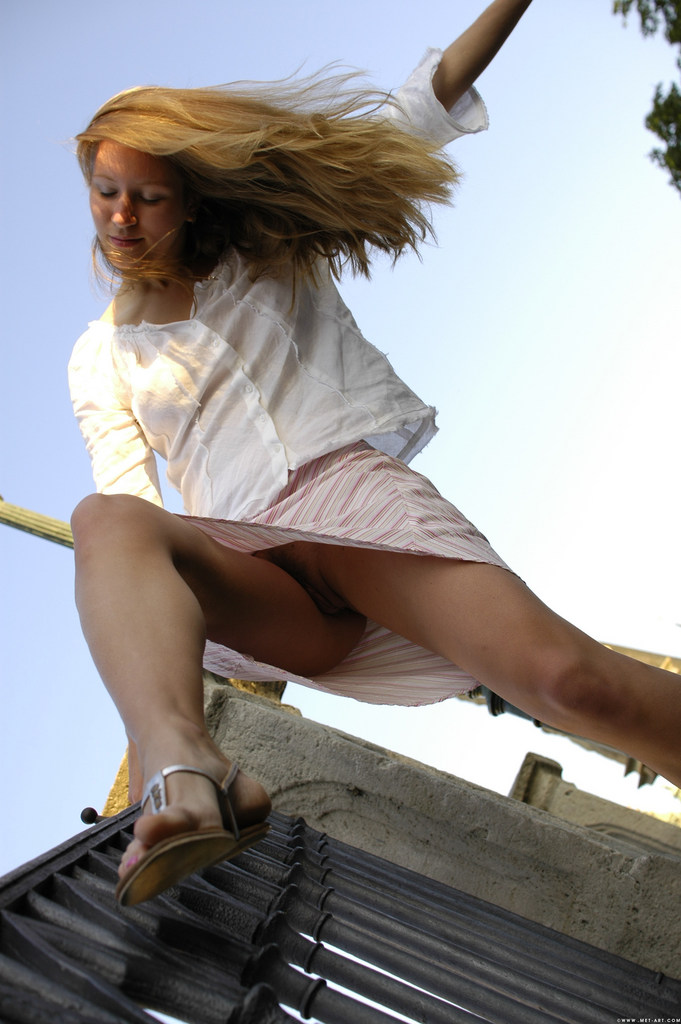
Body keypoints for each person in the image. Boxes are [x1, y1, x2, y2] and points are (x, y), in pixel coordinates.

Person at [68, 0, 681, 907]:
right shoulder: (99, 356)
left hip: (353, 509)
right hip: (248, 563)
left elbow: (415, 110)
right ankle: (184, 766)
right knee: (105, 519)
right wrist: (155, 703)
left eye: (147, 197)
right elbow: (133, 524)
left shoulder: (267, 249)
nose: (121, 217)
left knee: (572, 682)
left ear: (189, 198)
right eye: (105, 191)